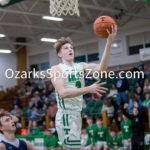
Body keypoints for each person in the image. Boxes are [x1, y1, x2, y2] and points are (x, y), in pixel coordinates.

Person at [50, 26, 117, 149]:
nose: (70, 49)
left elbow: (102, 69)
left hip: (76, 115)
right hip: (66, 115)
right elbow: (63, 93)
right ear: (59, 54)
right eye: (66, 48)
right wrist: (88, 89)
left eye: (71, 47)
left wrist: (109, 43)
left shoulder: (81, 66)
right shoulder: (56, 69)